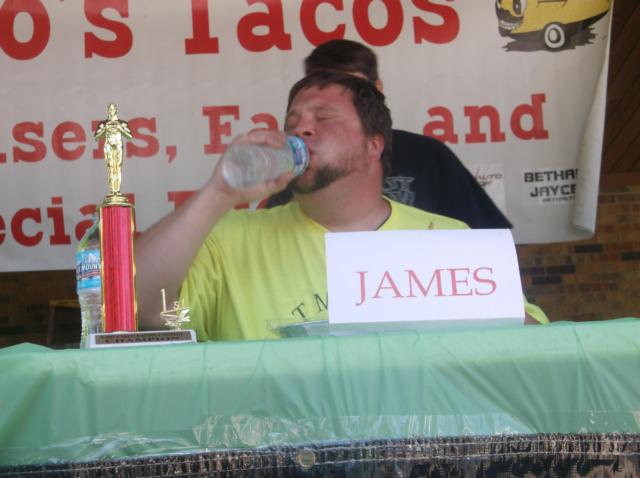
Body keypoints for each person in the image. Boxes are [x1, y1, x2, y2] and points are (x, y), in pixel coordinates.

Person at [135, 70, 547, 341]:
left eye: (323, 117)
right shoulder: (230, 238)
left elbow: (532, 343)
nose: (301, 128)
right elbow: (137, 308)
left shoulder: (445, 239)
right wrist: (218, 193)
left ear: (373, 144)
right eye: (292, 121)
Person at [268, 39, 511, 230]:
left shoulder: (428, 155)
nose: (337, 99)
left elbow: (489, 241)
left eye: (355, 89)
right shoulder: (295, 163)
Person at [94, 103, 133, 195]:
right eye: (109, 110)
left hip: (118, 145)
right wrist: (104, 130)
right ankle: (112, 191)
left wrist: (120, 129)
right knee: (110, 167)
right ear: (108, 111)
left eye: (113, 109)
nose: (111, 111)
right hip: (108, 145)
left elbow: (130, 136)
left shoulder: (122, 123)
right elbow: (96, 138)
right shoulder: (103, 124)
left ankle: (117, 191)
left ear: (116, 110)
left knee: (118, 167)